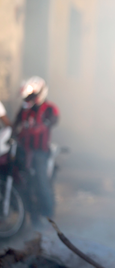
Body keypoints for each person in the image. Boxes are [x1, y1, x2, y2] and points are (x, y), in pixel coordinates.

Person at [14, 76, 59, 226]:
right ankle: (33, 219)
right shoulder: (25, 109)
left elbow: (54, 119)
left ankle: (48, 217)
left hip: (40, 152)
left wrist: (43, 125)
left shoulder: (49, 108)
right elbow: (15, 124)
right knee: (24, 184)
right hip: (24, 151)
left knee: (41, 182)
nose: (29, 99)